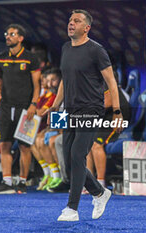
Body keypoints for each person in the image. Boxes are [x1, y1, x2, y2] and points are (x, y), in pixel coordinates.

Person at [48, 9, 124, 221]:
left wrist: (117, 111)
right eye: (70, 20)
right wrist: (55, 106)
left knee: (77, 154)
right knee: (71, 162)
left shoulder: (96, 51)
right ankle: (100, 193)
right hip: (68, 111)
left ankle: (72, 209)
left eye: (77, 21)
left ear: (86, 28)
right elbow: (65, 78)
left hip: (91, 110)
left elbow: (111, 83)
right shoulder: (65, 48)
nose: (71, 23)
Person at [0, 24, 41, 194]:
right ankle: (7, 181)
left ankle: (22, 182)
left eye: (12, 34)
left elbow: (37, 86)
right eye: (6, 33)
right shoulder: (1, 57)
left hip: (25, 109)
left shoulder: (31, 59)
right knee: (4, 145)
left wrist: (33, 105)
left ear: (20, 38)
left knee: (25, 147)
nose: (8, 37)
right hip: (5, 108)